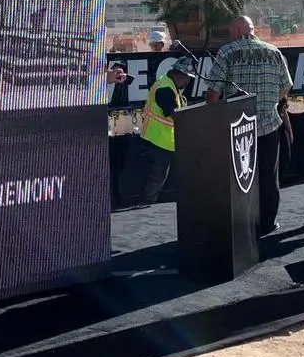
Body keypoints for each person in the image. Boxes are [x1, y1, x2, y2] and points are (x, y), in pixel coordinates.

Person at [206, 16, 293, 235]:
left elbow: (213, 94)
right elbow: (285, 87)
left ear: (236, 31)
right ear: (252, 30)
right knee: (268, 177)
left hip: (238, 127)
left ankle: (240, 224)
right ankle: (267, 223)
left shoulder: (226, 52)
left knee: (239, 178)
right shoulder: (274, 52)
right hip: (269, 124)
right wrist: (271, 102)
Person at [117, 59, 192, 208]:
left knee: (158, 174)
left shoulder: (168, 84)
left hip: (158, 137)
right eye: (187, 78)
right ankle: (147, 202)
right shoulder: (165, 89)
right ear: (179, 76)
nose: (188, 82)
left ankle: (148, 201)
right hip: (159, 139)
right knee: (158, 175)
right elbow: (172, 113)